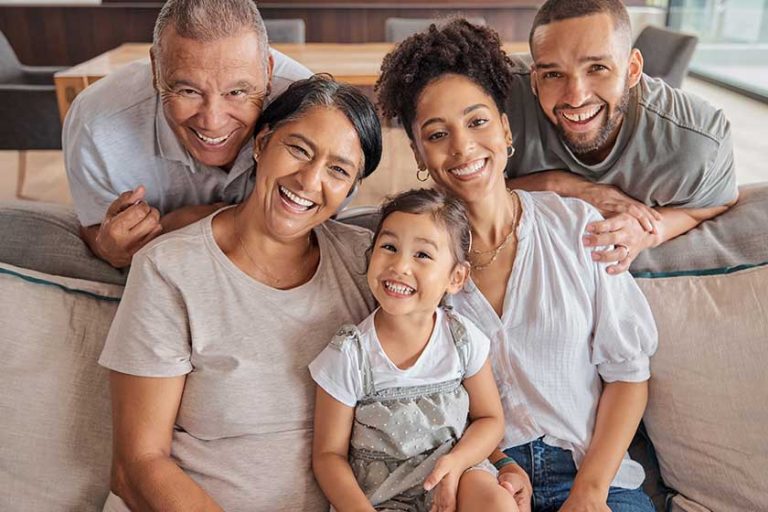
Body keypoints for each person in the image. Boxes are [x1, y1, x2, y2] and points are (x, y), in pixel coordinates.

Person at [376, 19, 658, 512]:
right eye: (437, 134)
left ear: (505, 130)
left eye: (477, 121)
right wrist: (494, 465)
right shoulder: (406, 263)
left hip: (592, 473)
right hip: (481, 481)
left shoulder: (577, 228)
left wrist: (589, 493)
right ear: (419, 154)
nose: (463, 147)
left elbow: (629, 375)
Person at [98, 75, 382, 511]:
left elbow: (439, 376)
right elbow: (136, 465)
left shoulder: (369, 262)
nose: (309, 180)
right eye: (298, 149)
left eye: (338, 170)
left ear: (351, 190)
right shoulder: (169, 268)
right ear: (262, 143)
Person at [310, 188, 518, 512]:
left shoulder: (462, 339)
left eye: (422, 255)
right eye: (389, 247)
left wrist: (456, 463)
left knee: (497, 504)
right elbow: (328, 456)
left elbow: (490, 419)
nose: (400, 266)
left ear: (456, 277)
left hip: (455, 475)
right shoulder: (350, 354)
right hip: (382, 496)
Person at [64, 0, 311, 268]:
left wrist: (183, 224)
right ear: (156, 70)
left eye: (237, 92)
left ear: (268, 72)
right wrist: (106, 247)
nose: (212, 122)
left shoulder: (311, 113)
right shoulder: (96, 125)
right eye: (188, 91)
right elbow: (95, 226)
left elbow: (327, 214)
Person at [504, 0, 738, 274]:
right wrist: (560, 185)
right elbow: (449, 190)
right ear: (534, 79)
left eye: (597, 68)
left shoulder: (697, 142)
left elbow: (716, 203)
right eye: (553, 74)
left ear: (633, 69)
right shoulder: (494, 102)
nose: (576, 97)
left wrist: (652, 230)